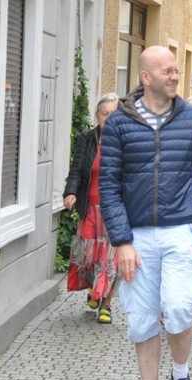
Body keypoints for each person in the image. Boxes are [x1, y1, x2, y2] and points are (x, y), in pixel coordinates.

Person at [99, 46, 192, 380]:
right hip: (135, 235)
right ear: (145, 77)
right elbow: (108, 186)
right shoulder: (119, 124)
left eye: (177, 70)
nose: (175, 76)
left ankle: (180, 376)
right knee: (141, 319)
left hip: (181, 228)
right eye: (167, 71)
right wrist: (121, 241)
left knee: (181, 305)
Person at [63, 93, 121, 324]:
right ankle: (93, 288)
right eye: (104, 114)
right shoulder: (87, 139)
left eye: (113, 114)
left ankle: (105, 304)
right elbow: (77, 169)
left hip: (114, 210)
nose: (108, 118)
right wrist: (71, 193)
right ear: (97, 116)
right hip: (90, 208)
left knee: (110, 259)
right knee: (87, 256)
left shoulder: (125, 142)